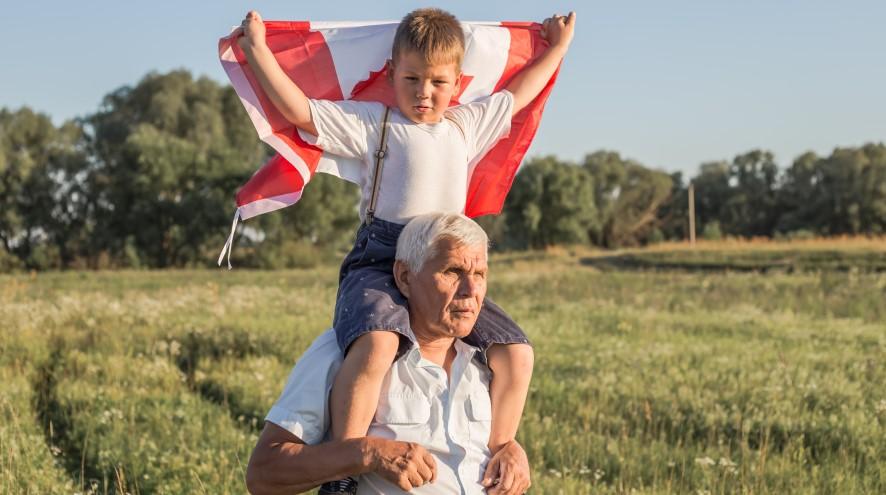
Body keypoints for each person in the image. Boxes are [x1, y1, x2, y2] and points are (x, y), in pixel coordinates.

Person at [236, 7, 575, 492]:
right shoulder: (377, 124)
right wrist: (258, 51)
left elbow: (517, 95)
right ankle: (346, 468)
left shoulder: (465, 127)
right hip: (381, 258)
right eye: (411, 78)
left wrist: (558, 48)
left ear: (457, 82)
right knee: (378, 342)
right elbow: (301, 112)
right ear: (392, 73)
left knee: (517, 353)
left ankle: (499, 447)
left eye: (437, 82)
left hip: (448, 262)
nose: (423, 92)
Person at [245, 213, 531, 494]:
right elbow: (264, 472)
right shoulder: (347, 351)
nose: (470, 291)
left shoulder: (488, 362)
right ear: (405, 277)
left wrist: (509, 450)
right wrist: (367, 454)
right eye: (452, 272)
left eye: (479, 275)